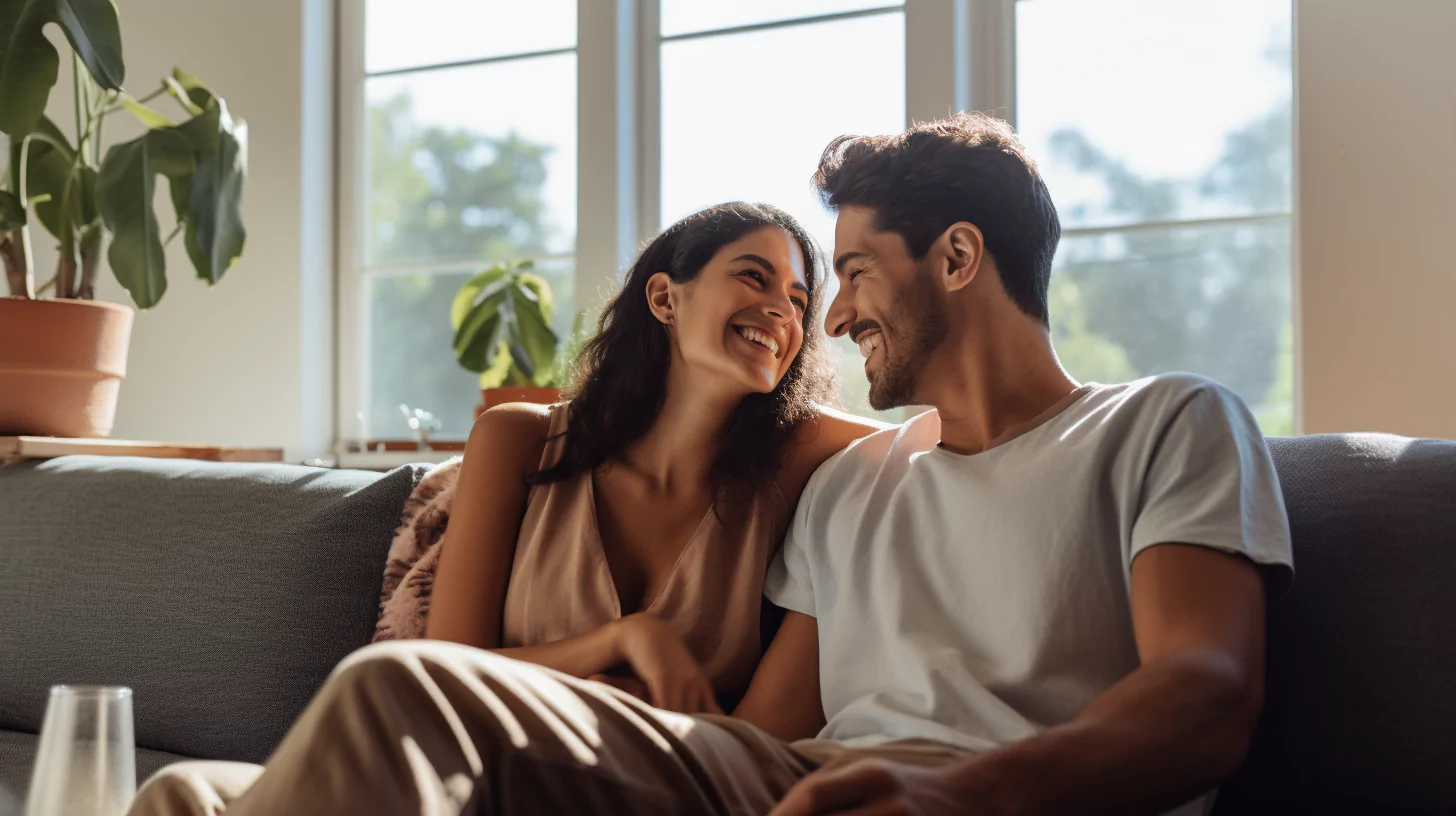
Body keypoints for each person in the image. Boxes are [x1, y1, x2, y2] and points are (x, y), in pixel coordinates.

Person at [133, 114, 1293, 816]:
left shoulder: (1165, 424)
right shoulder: (852, 485)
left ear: (956, 256)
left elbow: (1206, 698)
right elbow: (764, 736)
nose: (828, 322)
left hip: (982, 799)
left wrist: (956, 794)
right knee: (187, 793)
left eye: (847, 274)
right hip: (789, 785)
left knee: (399, 688)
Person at [126, 201, 879, 815]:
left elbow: (939, 432)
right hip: (472, 764)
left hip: (630, 783)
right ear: (664, 297)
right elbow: (452, 664)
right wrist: (621, 640)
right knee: (180, 791)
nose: (781, 309)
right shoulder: (520, 441)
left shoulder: (798, 458)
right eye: (754, 277)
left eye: (797, 299)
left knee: (382, 683)